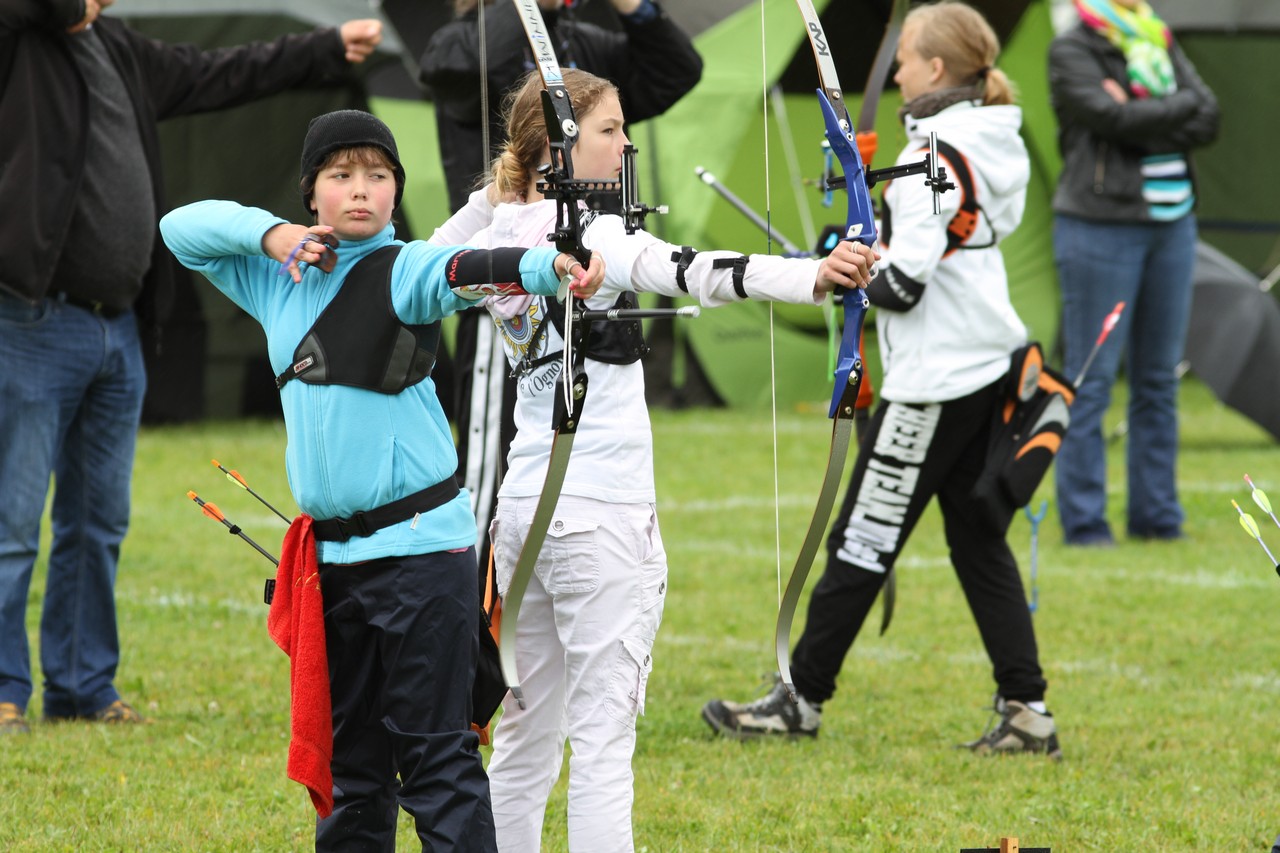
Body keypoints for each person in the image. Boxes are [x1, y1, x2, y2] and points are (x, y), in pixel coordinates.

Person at [432, 67, 877, 852]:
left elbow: (423, 260)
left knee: (527, 730)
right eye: (609, 129)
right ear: (563, 145)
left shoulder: (492, 238)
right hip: (600, 520)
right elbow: (696, 268)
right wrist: (815, 275)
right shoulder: (590, 238)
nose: (626, 142)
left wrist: (506, 190)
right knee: (601, 741)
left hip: (525, 517)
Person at [161, 109, 603, 850]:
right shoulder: (278, 280)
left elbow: (463, 270)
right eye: (341, 176)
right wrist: (272, 237)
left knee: (435, 758)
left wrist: (545, 267)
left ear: (397, 191)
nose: (360, 190)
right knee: (353, 771)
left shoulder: (406, 269)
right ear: (312, 194)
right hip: (333, 567)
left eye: (378, 175)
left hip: (422, 559)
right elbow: (182, 227)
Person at [0, 0, 384, 736]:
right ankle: (4, 687)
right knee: (12, 522)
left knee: (98, 521)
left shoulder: (117, 47)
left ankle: (82, 684)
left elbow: (222, 72)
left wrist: (326, 49)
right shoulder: (21, 39)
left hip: (117, 327)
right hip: (31, 320)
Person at [702, 1, 1062, 759]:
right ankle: (1027, 710)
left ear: (935, 69)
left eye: (904, 58)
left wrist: (843, 265)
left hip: (936, 378)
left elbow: (905, 286)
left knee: (862, 535)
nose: (893, 69)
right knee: (976, 537)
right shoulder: (991, 136)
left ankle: (798, 699)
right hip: (982, 362)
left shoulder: (934, 153)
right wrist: (861, 243)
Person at [419, 0, 704, 587]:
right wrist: (518, 8)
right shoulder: (473, 38)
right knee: (490, 472)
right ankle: (472, 626)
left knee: (580, 473)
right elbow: (444, 67)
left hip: (595, 277)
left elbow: (677, 71)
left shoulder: (586, 45)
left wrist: (633, 8)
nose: (619, 139)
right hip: (509, 289)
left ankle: (543, 605)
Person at [1048, 0, 1219, 546]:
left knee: (1157, 381)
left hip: (1174, 224)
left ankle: (1158, 519)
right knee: (1091, 381)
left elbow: (1210, 113)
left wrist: (1147, 111)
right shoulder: (1072, 47)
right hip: (1100, 226)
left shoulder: (1156, 34)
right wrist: (1175, 107)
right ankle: (1085, 523)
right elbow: (1110, 119)